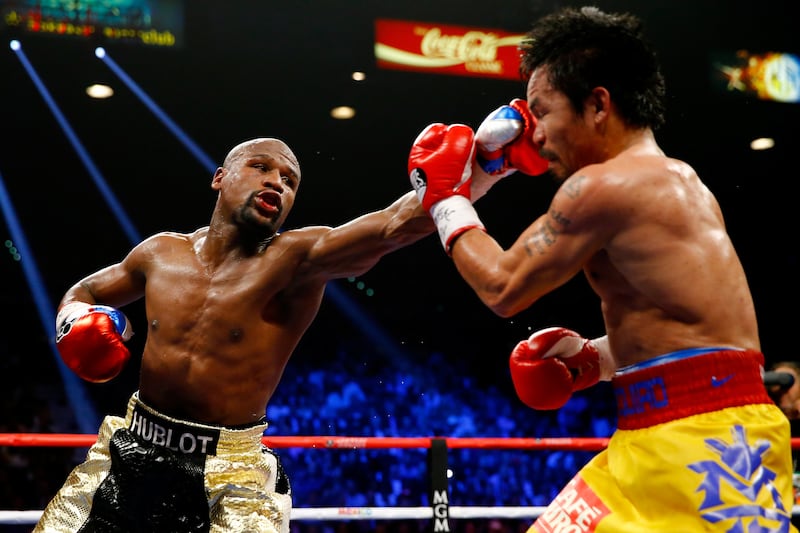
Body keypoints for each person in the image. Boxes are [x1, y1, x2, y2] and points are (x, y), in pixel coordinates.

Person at [406, 6, 796, 532]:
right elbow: (694, 330)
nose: (536, 134)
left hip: (708, 446)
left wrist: (447, 199)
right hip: (662, 433)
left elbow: (501, 287)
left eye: (542, 112)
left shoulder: (603, 186)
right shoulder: (680, 181)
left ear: (597, 104)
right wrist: (595, 361)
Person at [35, 137, 441, 533]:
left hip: (229, 474)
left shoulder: (296, 260)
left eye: (289, 180)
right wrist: (73, 322)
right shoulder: (160, 253)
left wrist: (479, 170)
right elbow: (83, 292)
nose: (276, 182)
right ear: (220, 178)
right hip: (129, 449)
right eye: (261, 167)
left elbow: (392, 226)